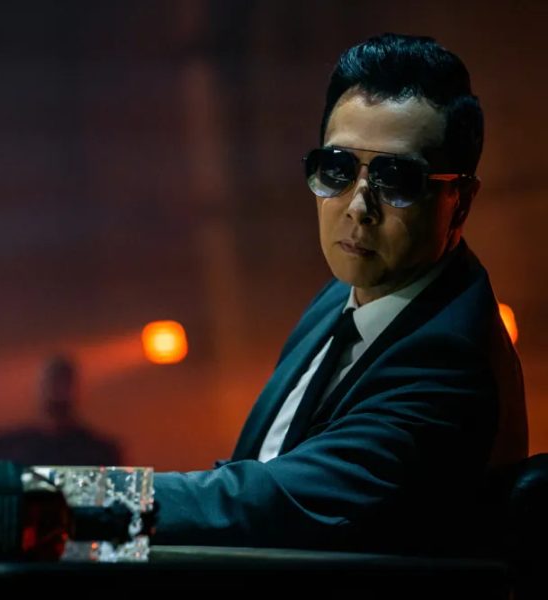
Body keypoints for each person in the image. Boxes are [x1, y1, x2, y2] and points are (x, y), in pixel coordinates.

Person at [151, 33, 528, 555]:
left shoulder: (451, 365)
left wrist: (77, 498)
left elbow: (268, 504)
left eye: (397, 180)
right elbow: (256, 475)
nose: (357, 206)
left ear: (459, 202)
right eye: (338, 169)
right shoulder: (345, 293)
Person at [0, 355, 123, 466]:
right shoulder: (7, 447)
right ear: (39, 387)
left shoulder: (99, 452)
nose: (57, 390)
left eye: (63, 381)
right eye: (51, 381)